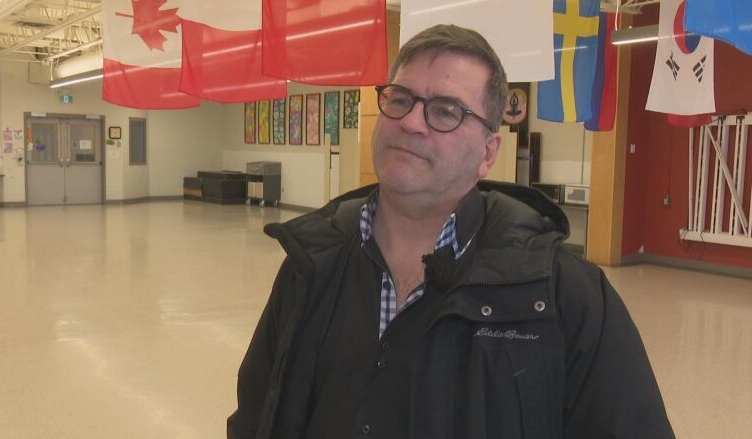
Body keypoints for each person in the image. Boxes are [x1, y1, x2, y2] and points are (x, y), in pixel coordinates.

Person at [227, 24, 675, 439]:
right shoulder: (311, 266)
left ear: (488, 152)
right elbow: (255, 417)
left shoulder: (566, 297)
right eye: (400, 99)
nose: (411, 122)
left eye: (446, 111)